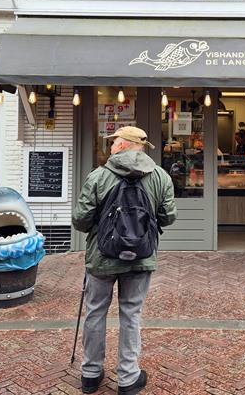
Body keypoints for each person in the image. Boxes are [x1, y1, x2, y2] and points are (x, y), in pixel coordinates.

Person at [72, 126, 177, 395]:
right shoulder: (160, 177)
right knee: (131, 314)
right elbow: (168, 217)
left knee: (95, 311)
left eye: (114, 142)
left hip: (101, 257)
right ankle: (128, 378)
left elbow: (81, 220)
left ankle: (91, 374)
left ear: (123, 145)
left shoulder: (98, 176)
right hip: (140, 259)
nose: (110, 146)